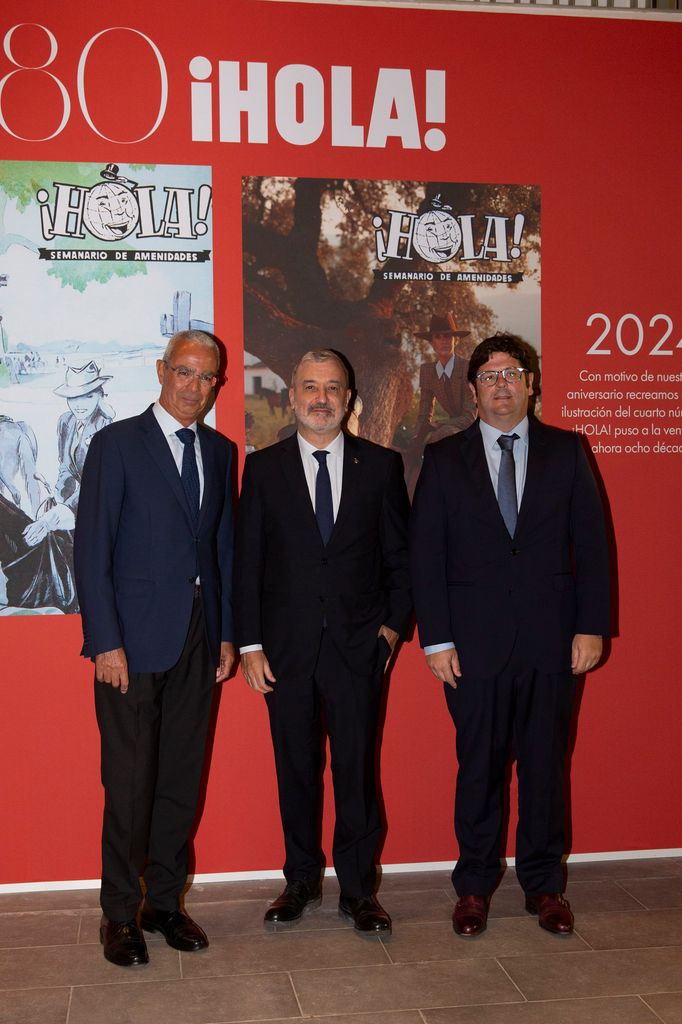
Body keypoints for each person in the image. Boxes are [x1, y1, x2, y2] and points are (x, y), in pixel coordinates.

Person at [410, 334, 610, 938]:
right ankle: (473, 887)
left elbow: (592, 546)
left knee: (546, 769)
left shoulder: (567, 451)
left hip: (553, 643)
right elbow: (426, 556)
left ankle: (544, 887)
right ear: (472, 392)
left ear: (530, 384)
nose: (502, 384)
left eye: (512, 374)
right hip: (472, 648)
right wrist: (436, 640)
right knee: (479, 769)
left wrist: (591, 625)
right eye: (490, 376)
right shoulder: (444, 459)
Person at [234, 349, 411, 935]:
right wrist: (250, 644)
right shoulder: (264, 469)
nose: (321, 398)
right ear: (292, 396)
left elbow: (400, 559)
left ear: (349, 398)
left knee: (357, 771)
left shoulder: (381, 466)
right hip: (283, 654)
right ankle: (301, 880)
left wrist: (390, 630)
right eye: (310, 387)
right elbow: (247, 563)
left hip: (360, 650)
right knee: (296, 769)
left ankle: (359, 891)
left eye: (333, 387)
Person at [74, 330, 235, 967]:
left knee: (179, 781)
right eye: (185, 372)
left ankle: (164, 904)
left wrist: (226, 633)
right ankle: (119, 914)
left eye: (207, 377)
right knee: (130, 784)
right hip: (131, 644)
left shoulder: (220, 452)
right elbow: (92, 551)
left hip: (199, 638)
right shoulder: (115, 444)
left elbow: (221, 550)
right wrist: (105, 641)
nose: (195, 386)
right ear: (161, 371)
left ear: (217, 384)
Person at [53, 361, 115, 513]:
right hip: (72, 500)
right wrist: (60, 496)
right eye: (73, 398)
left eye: (88, 396)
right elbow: (65, 466)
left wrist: (68, 507)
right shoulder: (65, 421)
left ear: (100, 397)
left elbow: (98, 479)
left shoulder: (105, 426)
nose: (79, 405)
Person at [412, 312, 476, 447]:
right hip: (452, 428)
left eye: (447, 336)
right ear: (432, 343)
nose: (443, 341)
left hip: (479, 427)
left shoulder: (468, 369)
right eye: (438, 337)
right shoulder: (427, 371)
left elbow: (469, 419)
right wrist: (416, 438)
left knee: (447, 434)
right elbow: (424, 414)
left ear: (456, 340)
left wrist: (438, 424)